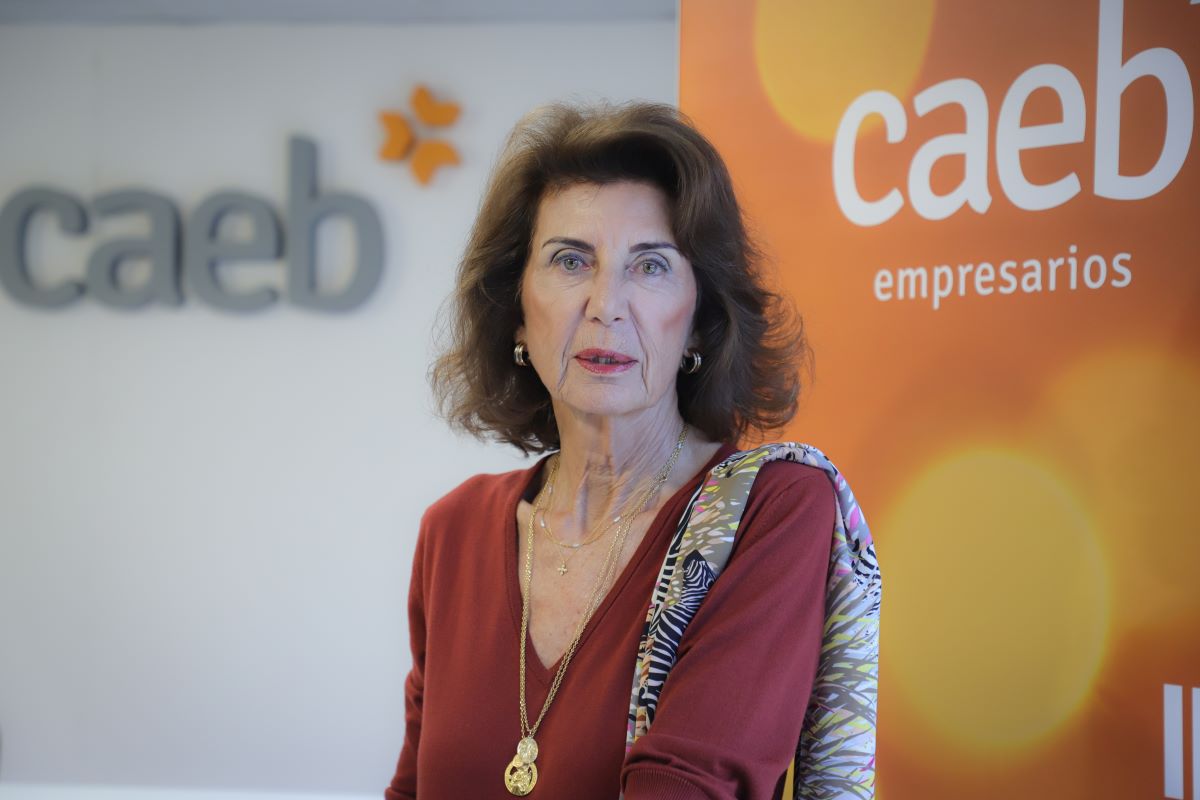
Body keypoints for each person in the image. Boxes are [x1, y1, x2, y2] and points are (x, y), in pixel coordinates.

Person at [384, 102, 843, 800]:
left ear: (699, 320)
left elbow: (691, 786)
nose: (607, 304)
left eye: (650, 266)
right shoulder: (454, 530)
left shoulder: (769, 511)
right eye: (571, 261)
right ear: (516, 310)